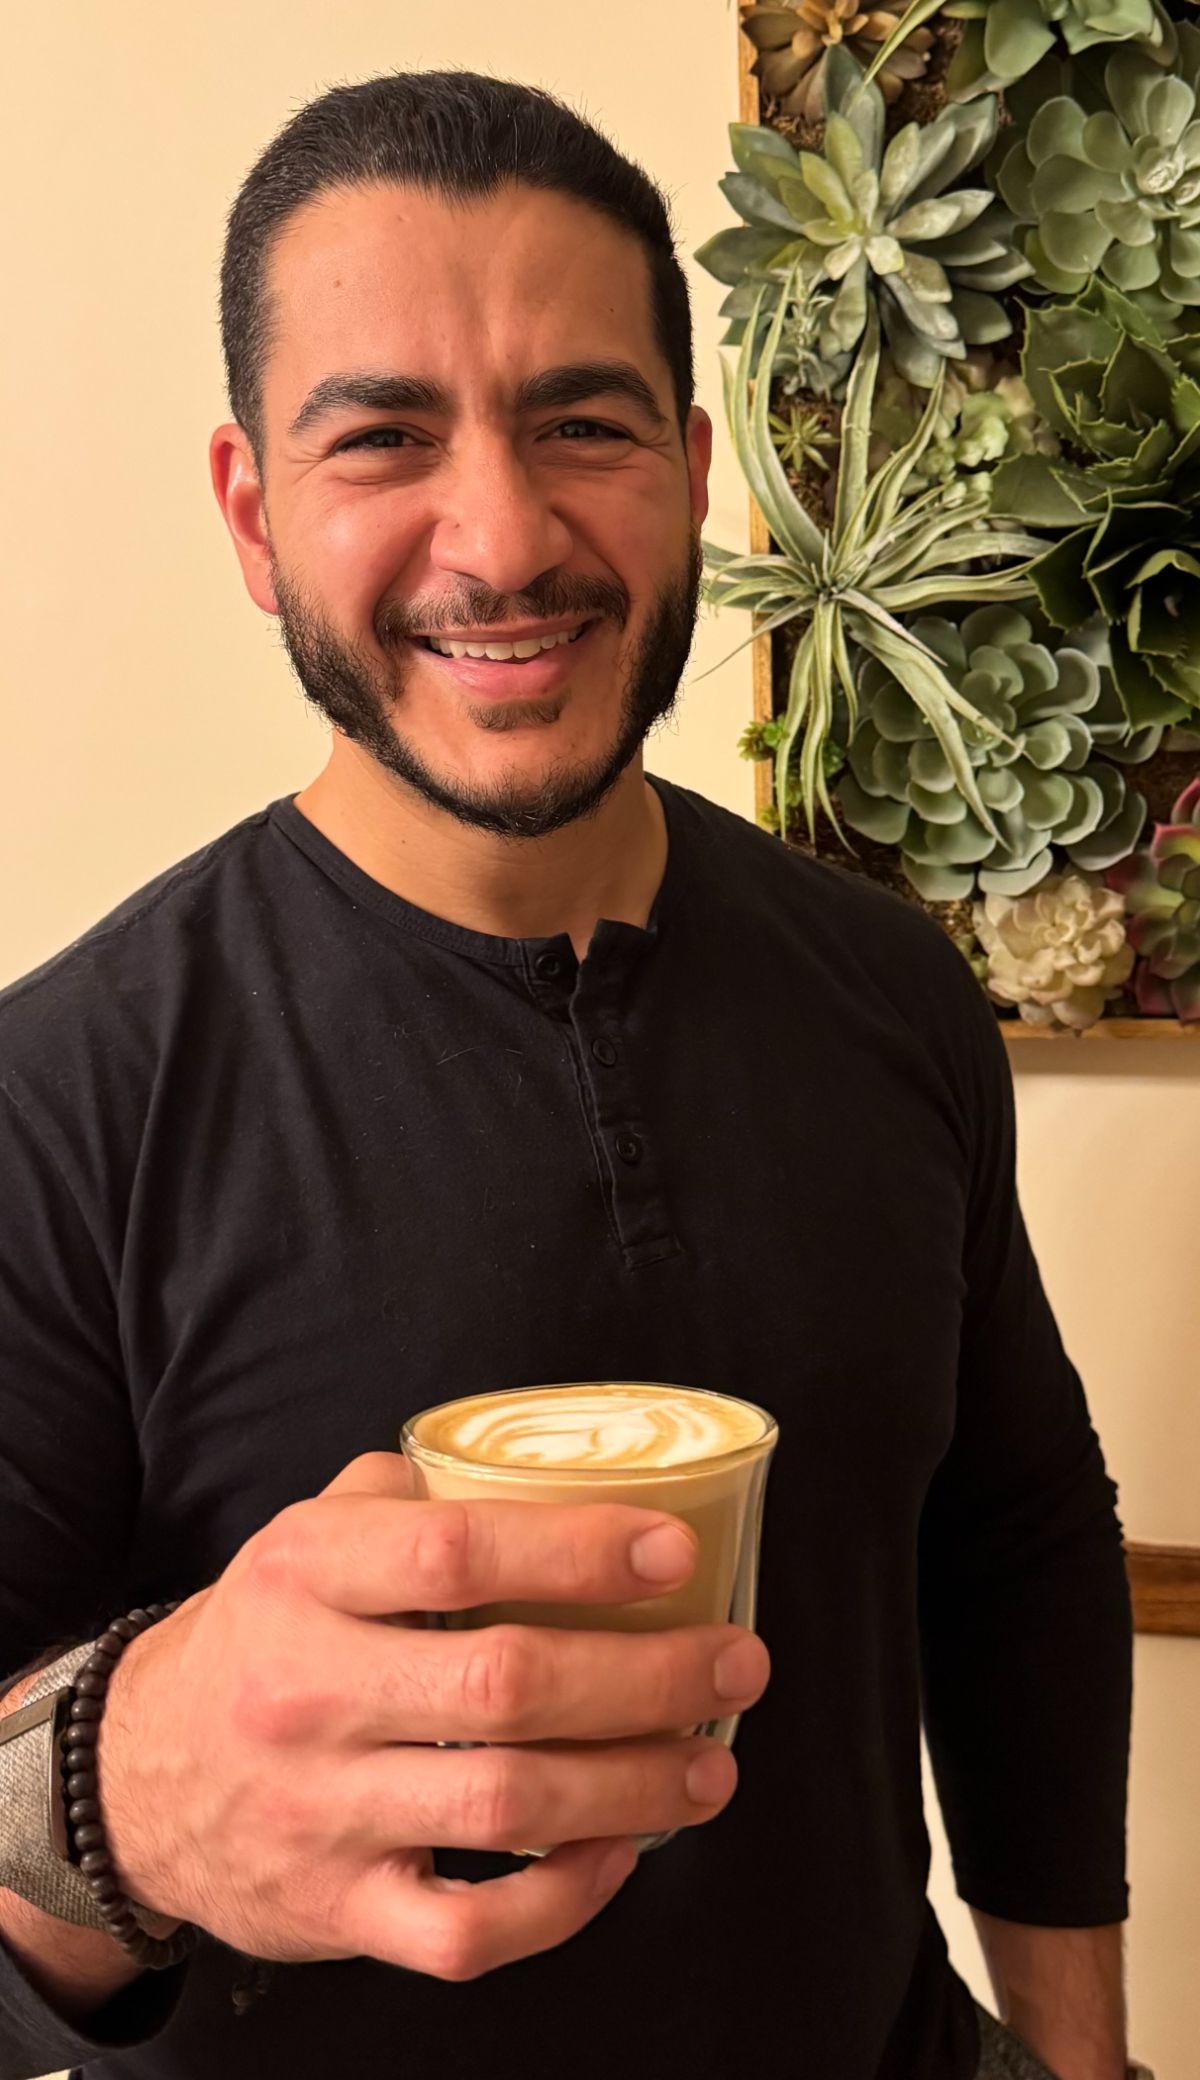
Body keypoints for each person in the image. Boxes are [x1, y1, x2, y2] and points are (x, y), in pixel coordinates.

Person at [0, 68, 1149, 2080]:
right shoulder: (65, 1089)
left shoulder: (895, 991)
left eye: (583, 423)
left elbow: (1019, 1541)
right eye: (383, 439)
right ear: (254, 515)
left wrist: (1077, 2054)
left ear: (695, 467)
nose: (505, 536)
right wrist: (123, 1793)